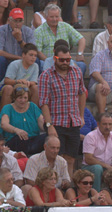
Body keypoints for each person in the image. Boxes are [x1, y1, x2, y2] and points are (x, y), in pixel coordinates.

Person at [39, 44, 86, 178]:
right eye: (62, 59)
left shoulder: (77, 72)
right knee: (55, 159)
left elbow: (82, 93)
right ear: (55, 58)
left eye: (67, 59)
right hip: (56, 122)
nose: (65, 62)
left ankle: (67, 187)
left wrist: (81, 116)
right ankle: (55, 187)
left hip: (73, 122)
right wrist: (49, 125)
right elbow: (44, 102)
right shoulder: (46, 75)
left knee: (71, 159)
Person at [34, 4, 86, 75]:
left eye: (57, 16)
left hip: (65, 61)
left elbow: (81, 39)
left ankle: (75, 85)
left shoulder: (65, 26)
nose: (54, 19)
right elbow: (38, 52)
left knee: (82, 65)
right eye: (51, 17)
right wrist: (53, 62)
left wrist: (80, 54)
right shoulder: (39, 31)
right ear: (46, 17)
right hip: (47, 61)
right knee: (41, 65)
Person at [82, 113, 112, 191]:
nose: (107, 127)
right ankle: (97, 196)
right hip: (90, 167)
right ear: (98, 124)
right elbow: (88, 159)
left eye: (110, 124)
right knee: (98, 168)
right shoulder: (90, 136)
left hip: (109, 167)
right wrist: (106, 166)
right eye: (105, 124)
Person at [0, 86, 46, 156]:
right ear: (14, 98)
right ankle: (24, 160)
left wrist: (50, 128)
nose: (23, 100)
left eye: (25, 98)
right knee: (21, 137)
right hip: (15, 140)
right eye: (20, 98)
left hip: (33, 140)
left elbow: (42, 123)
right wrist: (16, 130)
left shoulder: (32, 106)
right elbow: (4, 124)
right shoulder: (8, 108)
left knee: (49, 136)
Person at [0, 8, 36, 82]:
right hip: (7, 59)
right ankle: (0, 86)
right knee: (0, 59)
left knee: (36, 60)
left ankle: (32, 84)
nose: (18, 24)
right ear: (9, 21)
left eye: (20, 21)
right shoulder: (2, 30)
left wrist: (20, 40)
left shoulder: (28, 31)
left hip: (23, 60)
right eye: (15, 21)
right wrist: (18, 57)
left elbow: (32, 51)